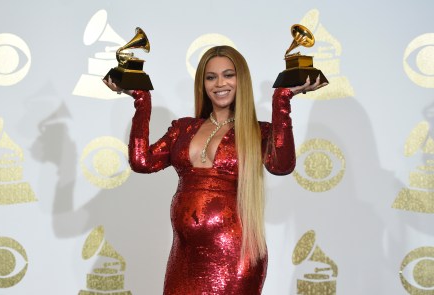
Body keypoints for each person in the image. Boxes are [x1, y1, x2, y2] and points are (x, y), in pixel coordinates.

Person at [103, 45, 326, 294]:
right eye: (211, 77)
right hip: (184, 257)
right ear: (203, 83)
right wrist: (142, 101)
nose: (220, 83)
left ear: (241, 80)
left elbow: (282, 166)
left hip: (235, 257)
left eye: (228, 75)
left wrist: (281, 100)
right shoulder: (183, 128)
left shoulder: (257, 131)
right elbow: (141, 162)